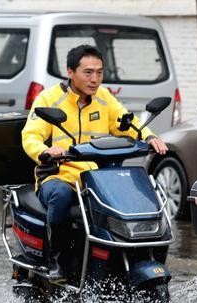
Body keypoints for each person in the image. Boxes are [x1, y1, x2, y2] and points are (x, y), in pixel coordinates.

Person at [22, 44, 167, 280]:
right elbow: (30, 136)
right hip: (59, 175)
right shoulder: (48, 99)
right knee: (60, 196)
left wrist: (149, 137)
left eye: (99, 72)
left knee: (140, 200)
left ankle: (127, 261)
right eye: (88, 72)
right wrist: (46, 151)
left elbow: (126, 123)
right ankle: (58, 261)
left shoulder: (104, 97)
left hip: (98, 178)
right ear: (70, 72)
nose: (95, 79)